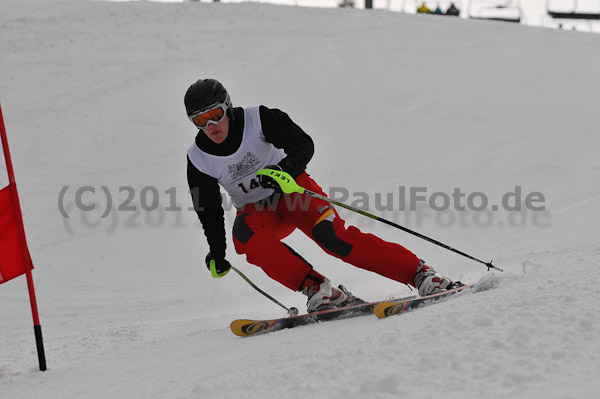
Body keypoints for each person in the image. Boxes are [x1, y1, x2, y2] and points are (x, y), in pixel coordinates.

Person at [185, 78, 460, 313]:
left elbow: (303, 143)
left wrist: (284, 170)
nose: (211, 125)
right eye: (200, 120)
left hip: (293, 192)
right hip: (260, 213)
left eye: (216, 115)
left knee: (334, 239)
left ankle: (420, 274)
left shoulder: (259, 119)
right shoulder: (199, 158)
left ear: (228, 108)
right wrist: (217, 252)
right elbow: (208, 210)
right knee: (243, 235)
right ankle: (321, 290)